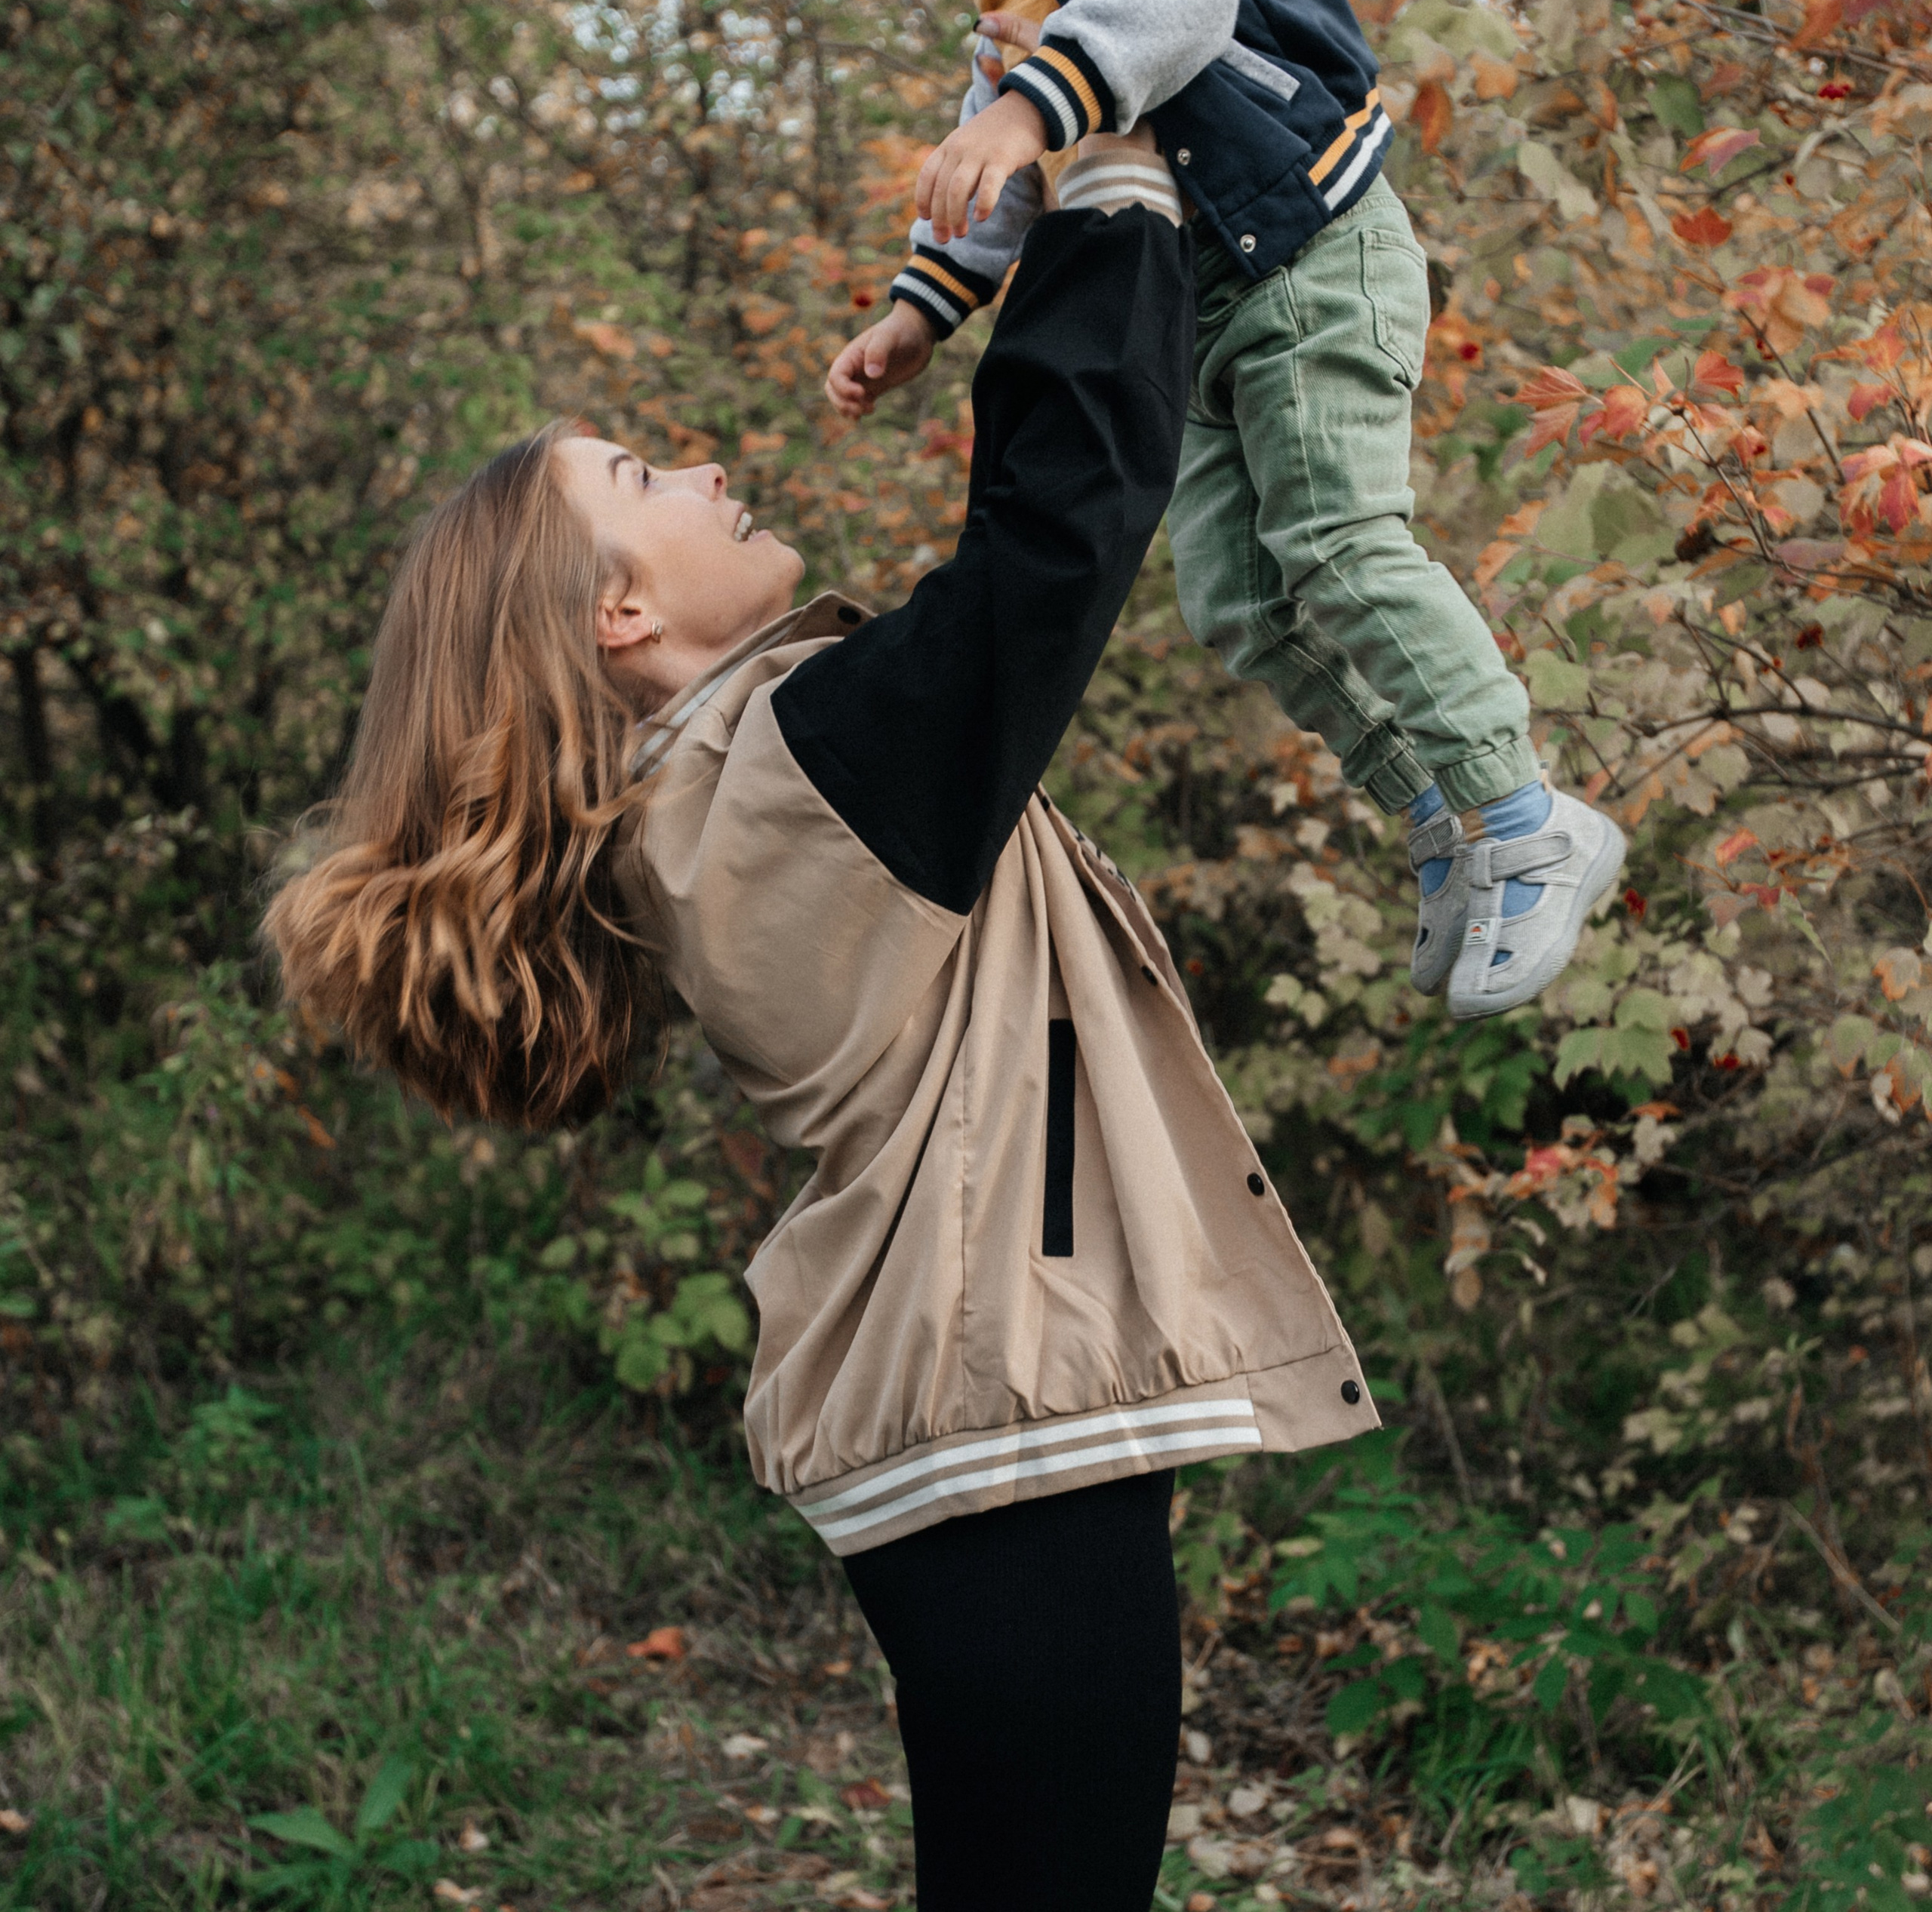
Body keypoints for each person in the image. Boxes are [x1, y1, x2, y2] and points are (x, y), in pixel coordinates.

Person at [263, 192, 1379, 1911]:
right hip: (992, 1441)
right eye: (646, 480)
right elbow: (1056, 525)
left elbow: (1039, 541)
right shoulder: (793, 775)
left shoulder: (731, 790)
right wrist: (1110, 176)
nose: (704, 471)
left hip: (975, 1436)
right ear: (619, 616)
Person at [808, 0, 1626, 1017]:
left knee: (1333, 538)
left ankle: (1526, 816)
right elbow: (1005, 137)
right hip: (1206, 300)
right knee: (1234, 599)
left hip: (1315, 253)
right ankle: (1434, 812)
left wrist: (1043, 93)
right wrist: (930, 301)